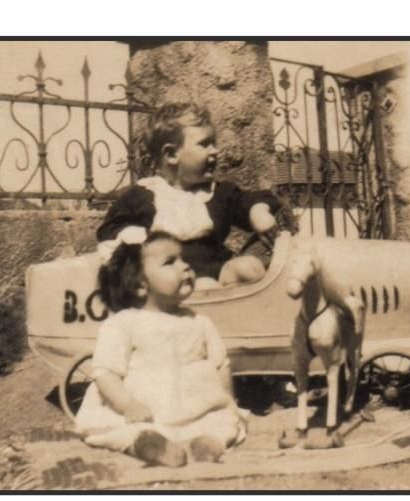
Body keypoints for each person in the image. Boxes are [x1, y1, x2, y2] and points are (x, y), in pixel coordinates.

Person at [75, 229, 246, 466]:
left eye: (183, 259)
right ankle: (145, 443)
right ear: (140, 284)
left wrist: (228, 401)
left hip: (198, 408)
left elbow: (221, 366)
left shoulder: (200, 322)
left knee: (223, 423)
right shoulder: (123, 323)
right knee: (122, 428)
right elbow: (106, 373)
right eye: (170, 262)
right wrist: (128, 405)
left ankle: (207, 444)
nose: (185, 266)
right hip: (146, 410)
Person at [97, 102, 280, 288]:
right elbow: (110, 229)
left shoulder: (217, 192)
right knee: (204, 285)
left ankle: (237, 304)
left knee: (249, 268)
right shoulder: (142, 195)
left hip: (218, 271)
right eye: (204, 144)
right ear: (171, 154)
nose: (214, 151)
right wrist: (141, 239)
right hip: (169, 283)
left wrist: (258, 212)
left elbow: (248, 200)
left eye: (214, 143)